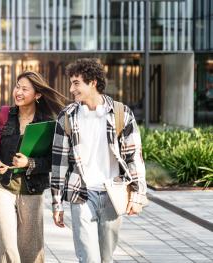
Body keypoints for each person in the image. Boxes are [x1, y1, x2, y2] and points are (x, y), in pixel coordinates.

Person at [51, 58, 147, 263]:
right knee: (88, 258)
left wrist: (138, 195)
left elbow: (134, 157)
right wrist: (57, 203)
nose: (71, 89)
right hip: (81, 194)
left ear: (93, 82)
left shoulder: (121, 113)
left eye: (76, 83)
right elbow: (59, 165)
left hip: (113, 194)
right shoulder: (67, 117)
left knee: (106, 257)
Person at [0, 71, 65, 263]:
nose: (18, 92)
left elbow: (52, 161)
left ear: (37, 95)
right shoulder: (2, 115)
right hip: (3, 187)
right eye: (17, 86)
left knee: (31, 250)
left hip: (32, 191)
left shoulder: (48, 123)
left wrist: (29, 163)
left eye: (25, 89)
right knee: (7, 247)